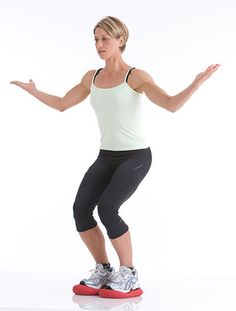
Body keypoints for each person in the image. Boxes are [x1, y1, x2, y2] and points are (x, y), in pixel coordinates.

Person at [11, 16, 220, 299]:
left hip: (135, 156)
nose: (99, 45)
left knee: (108, 208)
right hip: (106, 156)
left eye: (105, 39)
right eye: (95, 39)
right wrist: (34, 91)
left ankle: (129, 273)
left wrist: (196, 84)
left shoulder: (136, 76)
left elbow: (171, 105)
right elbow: (62, 104)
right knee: (81, 209)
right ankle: (104, 269)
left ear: (121, 40)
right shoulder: (92, 77)